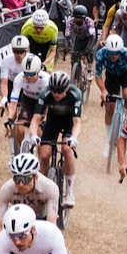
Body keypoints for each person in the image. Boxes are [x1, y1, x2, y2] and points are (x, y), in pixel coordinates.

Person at [34, 71, 82, 207]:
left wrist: (74, 137)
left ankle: (70, 191)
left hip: (69, 122)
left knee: (67, 149)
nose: (56, 94)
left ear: (67, 88)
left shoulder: (75, 94)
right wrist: (33, 135)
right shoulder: (45, 93)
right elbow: (36, 119)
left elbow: (77, 122)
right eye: (54, 90)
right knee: (44, 155)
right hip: (52, 121)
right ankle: (43, 187)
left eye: (60, 91)